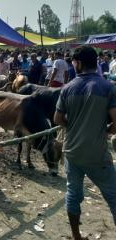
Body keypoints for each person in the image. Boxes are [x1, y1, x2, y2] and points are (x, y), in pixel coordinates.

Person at [54, 45, 116, 240]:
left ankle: (76, 236)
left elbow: (57, 119)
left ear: (78, 63)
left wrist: (72, 126)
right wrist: (106, 130)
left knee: (73, 193)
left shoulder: (67, 88)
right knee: (113, 195)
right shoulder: (107, 87)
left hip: (72, 151)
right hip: (97, 153)